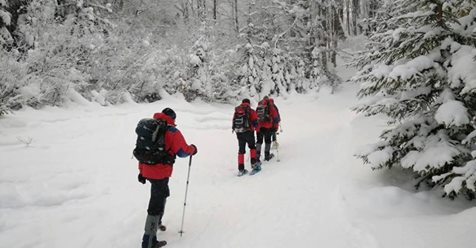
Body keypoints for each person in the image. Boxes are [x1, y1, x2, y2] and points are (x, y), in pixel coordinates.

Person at [138, 108, 197, 248]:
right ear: (172, 118)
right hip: (160, 172)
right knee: (156, 204)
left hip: (146, 169)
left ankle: (157, 222)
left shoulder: (149, 127)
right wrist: (193, 149)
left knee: (162, 194)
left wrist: (141, 171)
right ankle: (148, 241)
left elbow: (142, 151)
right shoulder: (171, 131)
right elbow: (182, 152)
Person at [232, 98, 259, 175]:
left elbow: (234, 121)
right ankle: (254, 165)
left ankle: (241, 169)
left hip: (239, 132)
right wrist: (256, 129)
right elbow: (255, 123)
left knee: (241, 150)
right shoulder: (251, 111)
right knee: (252, 147)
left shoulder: (237, 111)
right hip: (248, 132)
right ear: (249, 104)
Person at [256, 96, 280, 162]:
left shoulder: (259, 106)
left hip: (259, 127)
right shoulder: (271, 106)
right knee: (267, 141)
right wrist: (275, 127)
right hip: (267, 127)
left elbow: (256, 117)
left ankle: (257, 157)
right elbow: (276, 118)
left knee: (259, 141)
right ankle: (267, 156)